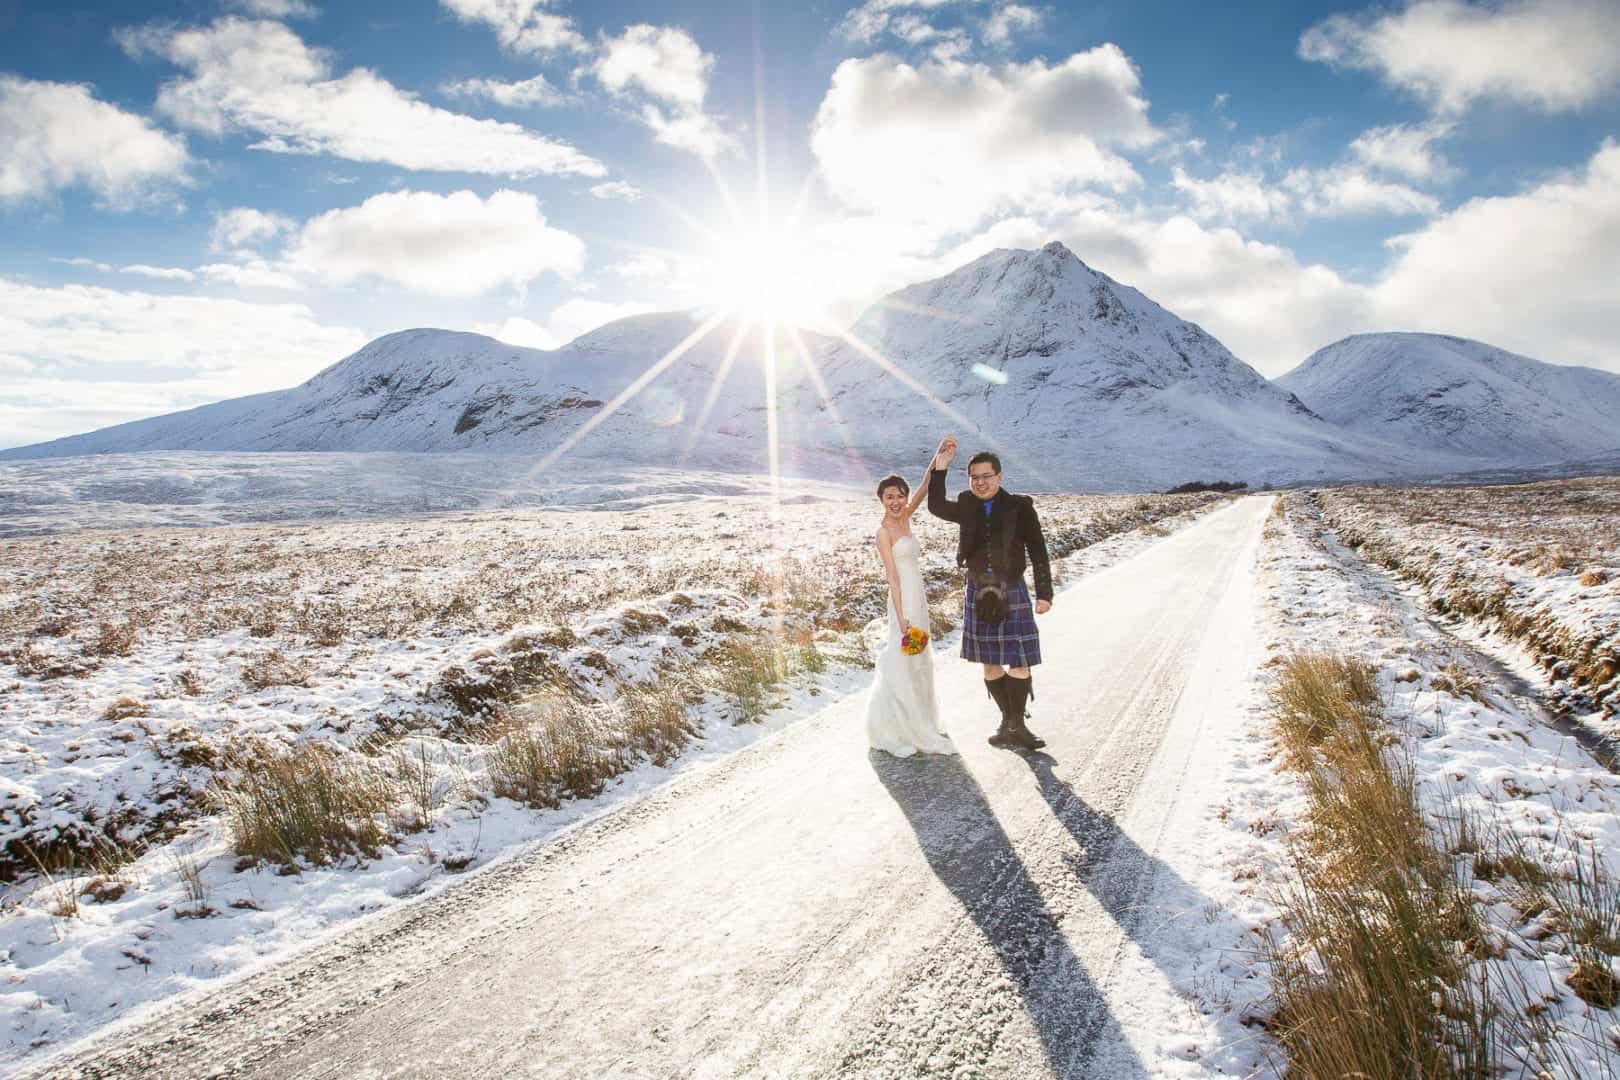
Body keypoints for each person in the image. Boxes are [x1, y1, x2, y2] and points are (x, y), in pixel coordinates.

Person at [927, 434, 1052, 750]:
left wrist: (1044, 592)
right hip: (978, 589)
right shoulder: (967, 504)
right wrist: (940, 467)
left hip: (1012, 588)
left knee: (1020, 660)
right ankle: (1009, 722)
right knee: (991, 662)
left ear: (1000, 476)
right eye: (974, 477)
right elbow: (936, 505)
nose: (980, 483)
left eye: (986, 476)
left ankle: (1016, 725)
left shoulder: (1020, 507)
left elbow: (1038, 550)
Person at [865, 452, 957, 758]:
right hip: (902, 600)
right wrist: (902, 618)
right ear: (880, 499)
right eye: (889, 497)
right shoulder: (883, 532)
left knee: (920, 657)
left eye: (900, 496)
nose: (896, 501)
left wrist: (939, 457)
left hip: (918, 596)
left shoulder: (905, 518)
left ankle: (924, 719)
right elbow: (892, 577)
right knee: (903, 655)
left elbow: (925, 485)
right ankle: (899, 727)